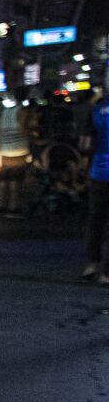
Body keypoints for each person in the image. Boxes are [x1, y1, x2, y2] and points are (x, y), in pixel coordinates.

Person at [83, 91, 109, 282]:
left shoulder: (96, 111)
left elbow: (85, 144)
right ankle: (107, 272)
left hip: (98, 172)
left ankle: (92, 264)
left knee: (96, 220)